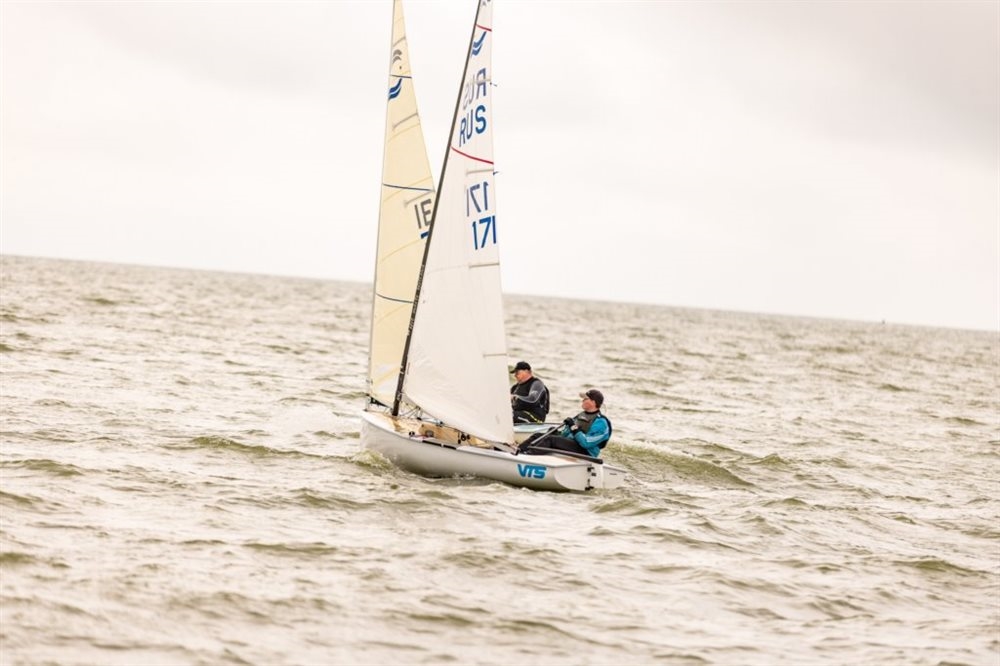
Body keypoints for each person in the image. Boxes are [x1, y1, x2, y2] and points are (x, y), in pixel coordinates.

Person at [524, 389, 611, 458]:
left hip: (586, 452)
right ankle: (520, 451)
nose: (582, 400)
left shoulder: (601, 422)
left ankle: (528, 456)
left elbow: (586, 443)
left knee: (551, 440)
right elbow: (567, 435)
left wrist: (573, 428)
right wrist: (559, 433)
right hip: (573, 444)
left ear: (593, 402)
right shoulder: (580, 415)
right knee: (538, 436)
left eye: (585, 399)